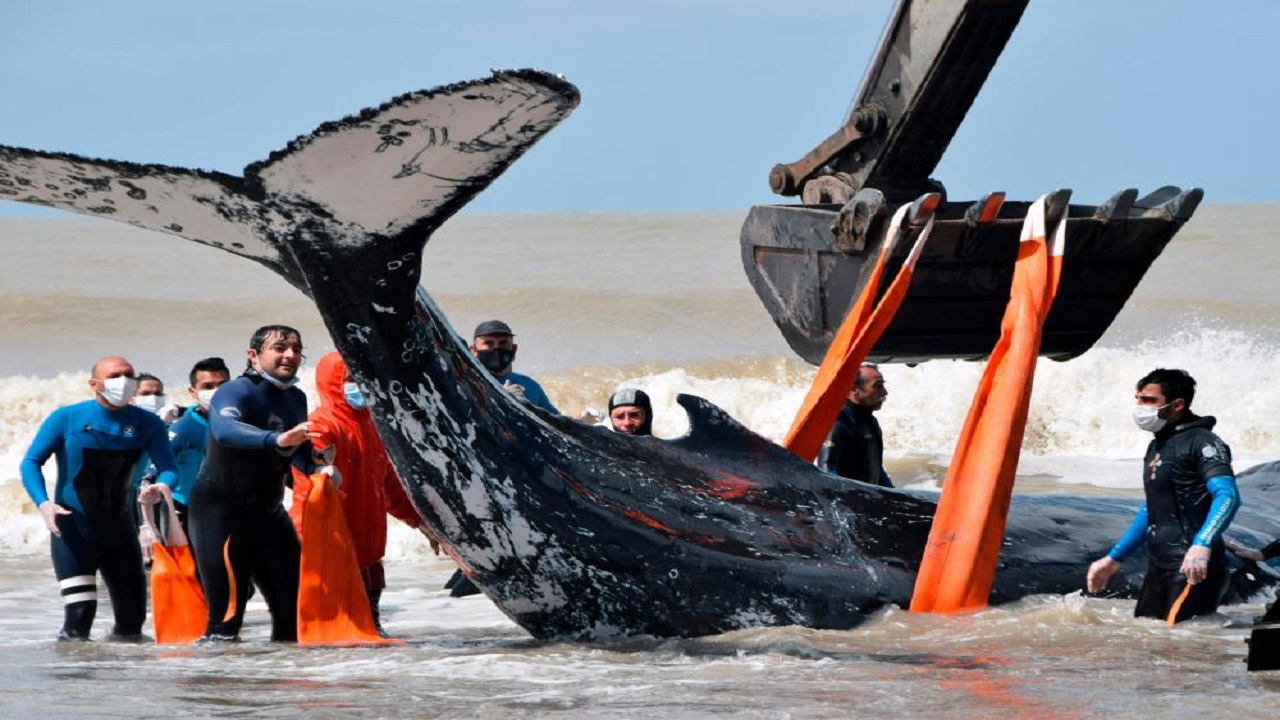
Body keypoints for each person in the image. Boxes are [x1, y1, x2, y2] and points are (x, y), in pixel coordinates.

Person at [20, 355, 177, 641]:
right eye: (115, 375)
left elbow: (168, 468)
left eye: (129, 375)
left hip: (120, 531)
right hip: (73, 531)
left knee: (132, 624)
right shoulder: (66, 418)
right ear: (95, 384)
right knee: (79, 619)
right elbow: (31, 462)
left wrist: (159, 488)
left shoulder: (148, 423)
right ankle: (73, 682)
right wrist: (44, 504)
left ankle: (117, 682)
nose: (125, 381)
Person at [188, 325, 318, 642]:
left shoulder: (296, 398)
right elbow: (224, 430)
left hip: (268, 513)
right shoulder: (236, 391)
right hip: (221, 515)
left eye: (296, 349)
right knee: (226, 621)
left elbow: (294, 450)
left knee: (294, 613)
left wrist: (317, 464)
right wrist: (277, 438)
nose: (290, 355)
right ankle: (213, 689)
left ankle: (273, 687)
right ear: (254, 355)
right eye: (279, 347)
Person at [1086, 368, 1241, 622]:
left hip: (1194, 567)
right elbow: (1153, 509)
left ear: (1177, 404)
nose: (1139, 406)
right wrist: (1114, 558)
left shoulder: (1203, 441)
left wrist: (1202, 545)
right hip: (1160, 567)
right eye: (1137, 398)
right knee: (1147, 643)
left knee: (1180, 650)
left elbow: (1227, 496)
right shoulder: (1158, 444)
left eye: (1148, 400)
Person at [307, 351, 432, 633]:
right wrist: (320, 468)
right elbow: (308, 470)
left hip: (369, 549)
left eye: (362, 376)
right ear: (331, 381)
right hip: (333, 548)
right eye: (350, 378)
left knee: (370, 630)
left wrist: (419, 521)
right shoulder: (321, 424)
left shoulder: (372, 425)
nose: (359, 384)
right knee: (334, 633)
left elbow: (389, 485)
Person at [163, 357, 232, 538]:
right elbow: (155, 470)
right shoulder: (183, 429)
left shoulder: (239, 419)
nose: (216, 392)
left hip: (229, 509)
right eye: (208, 387)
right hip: (187, 511)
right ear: (193, 392)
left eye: (223, 385)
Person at [816, 363, 893, 487]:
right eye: (878, 386)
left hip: (870, 500)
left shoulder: (871, 421)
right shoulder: (838, 423)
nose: (885, 392)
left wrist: (895, 496)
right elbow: (826, 471)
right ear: (853, 388)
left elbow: (879, 472)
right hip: (848, 501)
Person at [469, 319, 559, 414]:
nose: (496, 348)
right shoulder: (467, 382)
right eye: (489, 343)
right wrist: (503, 398)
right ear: (473, 350)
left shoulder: (529, 385)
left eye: (503, 343)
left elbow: (556, 422)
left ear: (514, 350)